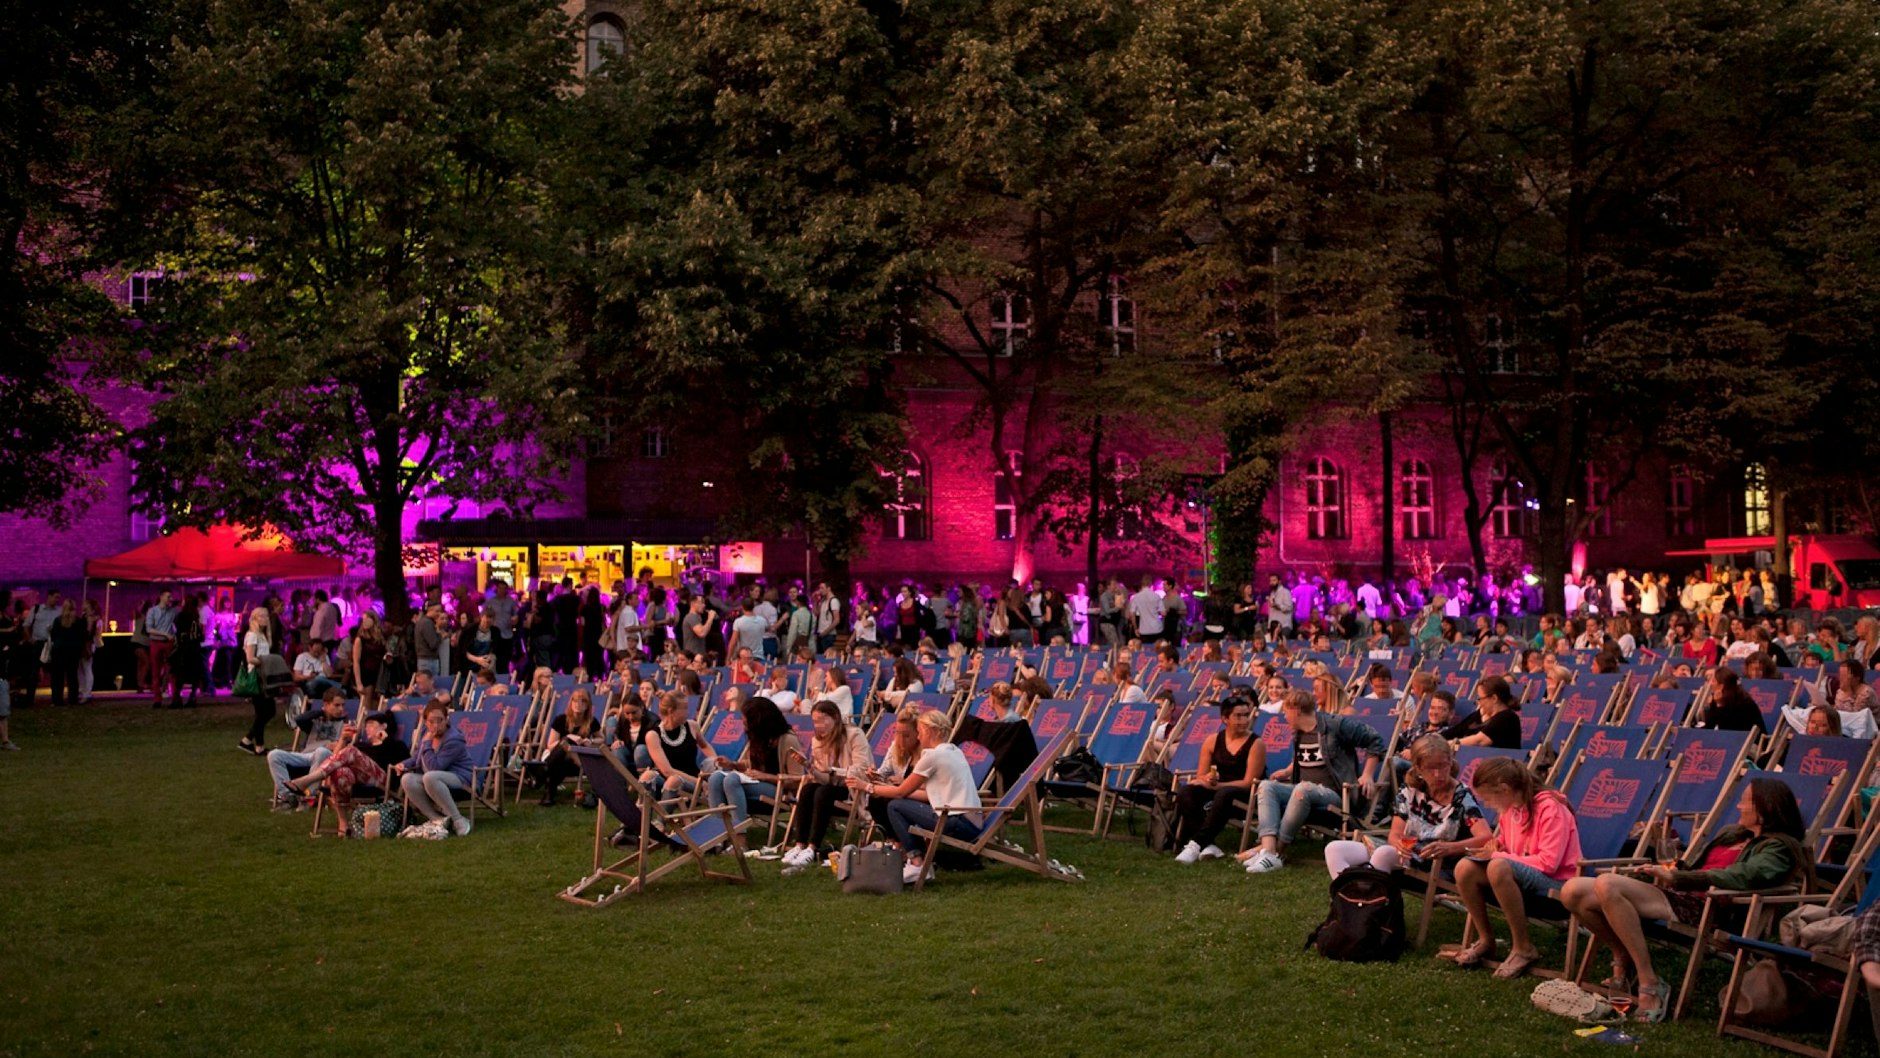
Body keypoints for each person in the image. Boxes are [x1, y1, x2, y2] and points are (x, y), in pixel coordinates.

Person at [1560, 777, 1814, 1021]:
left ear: (1765, 808)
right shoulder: (1733, 835)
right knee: (1572, 890)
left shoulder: (1779, 848)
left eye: (1745, 801)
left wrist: (1678, 878)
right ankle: (1623, 955)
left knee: (1607, 883)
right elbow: (1695, 867)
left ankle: (1649, 981)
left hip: (1711, 909)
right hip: (1682, 896)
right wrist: (1670, 869)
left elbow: (1745, 875)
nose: (1738, 806)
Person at [1448, 757, 1581, 979]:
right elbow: (1511, 844)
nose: (1486, 804)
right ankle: (1486, 940)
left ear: (1504, 789)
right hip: (1523, 877)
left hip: (1559, 885)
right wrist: (1498, 845)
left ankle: (1523, 948)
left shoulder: (1551, 809)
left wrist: (1497, 855)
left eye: (1487, 798)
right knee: (1464, 867)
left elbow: (1548, 863)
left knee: (1498, 866)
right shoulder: (1510, 809)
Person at [1242, 688, 1386, 873]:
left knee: (1303, 788)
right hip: (1303, 792)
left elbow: (1375, 740)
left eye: (1285, 712)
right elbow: (1309, 756)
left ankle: (1278, 851)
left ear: (1296, 710)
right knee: (1266, 786)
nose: (1284, 717)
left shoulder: (1335, 725)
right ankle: (1268, 852)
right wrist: (1288, 770)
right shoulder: (1299, 732)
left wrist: (1367, 774)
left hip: (1336, 794)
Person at [1325, 734, 1490, 876]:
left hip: (1435, 863)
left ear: (1451, 762)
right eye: (1430, 768)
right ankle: (1349, 896)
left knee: (1384, 853)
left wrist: (1450, 848)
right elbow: (1395, 834)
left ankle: (1370, 897)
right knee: (1335, 849)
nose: (1438, 774)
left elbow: (1485, 838)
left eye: (1443, 766)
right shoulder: (1408, 791)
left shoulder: (1461, 797)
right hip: (1405, 854)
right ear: (1418, 768)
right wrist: (1397, 843)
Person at [851, 709, 984, 885]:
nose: (919, 737)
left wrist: (867, 787)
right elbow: (924, 794)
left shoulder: (932, 756)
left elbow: (901, 792)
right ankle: (918, 861)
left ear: (930, 731)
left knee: (895, 806)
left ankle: (917, 863)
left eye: (920, 732)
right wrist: (887, 787)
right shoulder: (953, 751)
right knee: (899, 803)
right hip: (972, 823)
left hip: (957, 822)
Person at [780, 699, 874, 866]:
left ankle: (812, 847)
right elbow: (825, 779)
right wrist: (809, 767)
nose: (818, 726)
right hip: (834, 788)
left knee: (823, 792)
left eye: (822, 720)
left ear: (835, 718)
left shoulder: (854, 735)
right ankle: (800, 845)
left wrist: (832, 770)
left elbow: (862, 769)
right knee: (809, 788)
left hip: (855, 789)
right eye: (815, 721)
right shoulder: (818, 741)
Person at [1173, 696, 1266, 864]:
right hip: (1217, 793)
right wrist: (1207, 779)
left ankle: (1195, 845)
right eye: (1238, 716)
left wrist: (1217, 786)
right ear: (1225, 719)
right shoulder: (1212, 741)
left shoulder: (1256, 743)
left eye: (1246, 715)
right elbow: (1201, 774)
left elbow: (1248, 782)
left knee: (1224, 793)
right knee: (1186, 791)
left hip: (1244, 795)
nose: (1244, 720)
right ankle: (1209, 845)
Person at [705, 695, 801, 826]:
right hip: (756, 784)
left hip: (780, 791)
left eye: (746, 723)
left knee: (731, 780)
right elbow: (751, 765)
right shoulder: (760, 737)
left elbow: (797, 780)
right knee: (715, 778)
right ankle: (717, 831)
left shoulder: (788, 740)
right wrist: (733, 764)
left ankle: (739, 833)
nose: (745, 727)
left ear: (759, 722)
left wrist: (767, 777)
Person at [394, 702, 475, 837]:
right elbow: (418, 757)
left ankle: (458, 820)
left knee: (430, 776)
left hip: (460, 778)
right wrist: (404, 764)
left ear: (446, 719)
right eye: (431, 721)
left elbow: (435, 767)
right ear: (425, 722)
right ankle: (436, 819)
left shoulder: (454, 739)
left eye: (440, 720)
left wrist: (427, 743)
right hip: (435, 779)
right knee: (407, 778)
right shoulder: (427, 734)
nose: (436, 725)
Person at [268, 689, 350, 809]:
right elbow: (299, 720)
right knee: (274, 754)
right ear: (326, 705)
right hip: (306, 756)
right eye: (336, 705)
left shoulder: (345, 723)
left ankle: (309, 796)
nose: (341, 709)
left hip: (327, 758)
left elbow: (347, 747)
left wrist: (338, 744)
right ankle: (288, 796)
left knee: (321, 751)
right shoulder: (314, 720)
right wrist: (321, 712)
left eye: (343, 705)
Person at [535, 687, 602, 807]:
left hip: (578, 762)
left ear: (588, 705)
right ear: (570, 703)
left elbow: (602, 739)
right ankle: (548, 793)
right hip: (557, 758)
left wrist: (591, 741)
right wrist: (568, 738)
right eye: (575, 700)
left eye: (583, 701)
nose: (578, 704)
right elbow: (550, 746)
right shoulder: (561, 720)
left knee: (567, 747)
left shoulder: (591, 721)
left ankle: (544, 774)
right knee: (566, 744)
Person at [641, 690, 707, 803]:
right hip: (666, 780)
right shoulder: (653, 735)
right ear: (671, 711)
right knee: (647, 776)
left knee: (674, 780)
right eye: (685, 708)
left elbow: (705, 746)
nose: (688, 712)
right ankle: (642, 814)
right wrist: (699, 782)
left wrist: (715, 762)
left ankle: (662, 815)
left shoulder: (692, 726)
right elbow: (667, 771)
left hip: (690, 782)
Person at [1443, 675, 1523, 749]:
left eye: (1480, 698)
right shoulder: (1479, 715)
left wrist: (1446, 745)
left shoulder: (1507, 717)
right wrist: (1437, 739)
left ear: (1494, 698)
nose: (1479, 703)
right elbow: (1456, 731)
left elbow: (1480, 741)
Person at [238, 606, 276, 756]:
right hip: (257, 675)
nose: (265, 619)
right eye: (261, 616)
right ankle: (258, 745)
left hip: (264, 675)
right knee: (263, 711)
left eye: (266, 616)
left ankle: (248, 740)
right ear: (254, 618)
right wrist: (266, 662)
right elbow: (250, 658)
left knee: (267, 711)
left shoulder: (261, 635)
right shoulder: (252, 635)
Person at [1698, 667, 1768, 734]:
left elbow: (1729, 729)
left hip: (1751, 739)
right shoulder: (1716, 698)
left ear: (1721, 686)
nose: (1710, 684)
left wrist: (1720, 705)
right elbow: (1710, 726)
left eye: (1713, 681)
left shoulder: (1744, 702)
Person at [45, 600, 87, 708]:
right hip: (73, 651)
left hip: (59, 651)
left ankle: (57, 700)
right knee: (72, 676)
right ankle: (73, 699)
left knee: (57, 677)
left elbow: (54, 636)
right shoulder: (78, 621)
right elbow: (82, 636)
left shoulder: (58, 620)